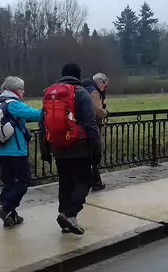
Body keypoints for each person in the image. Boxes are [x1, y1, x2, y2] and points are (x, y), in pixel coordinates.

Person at [50, 63, 102, 235]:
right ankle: (70, 214)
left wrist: (46, 147)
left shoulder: (51, 93)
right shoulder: (81, 93)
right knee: (85, 180)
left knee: (65, 184)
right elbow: (90, 122)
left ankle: (65, 220)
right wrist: (96, 145)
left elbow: (44, 122)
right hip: (79, 146)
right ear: (79, 76)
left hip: (57, 145)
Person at [0, 76, 43, 227]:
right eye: (21, 89)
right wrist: (50, 107)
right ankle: (6, 209)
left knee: (8, 184)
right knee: (24, 181)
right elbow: (37, 114)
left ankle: (9, 216)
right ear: (15, 90)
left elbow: (15, 120)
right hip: (16, 151)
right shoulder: (13, 104)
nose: (23, 92)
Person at [82, 73, 109, 191]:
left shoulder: (84, 89)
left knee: (89, 156)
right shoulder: (93, 91)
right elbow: (97, 111)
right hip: (91, 127)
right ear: (100, 83)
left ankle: (94, 181)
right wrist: (105, 113)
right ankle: (93, 182)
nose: (105, 88)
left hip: (82, 128)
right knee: (94, 155)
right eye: (105, 85)